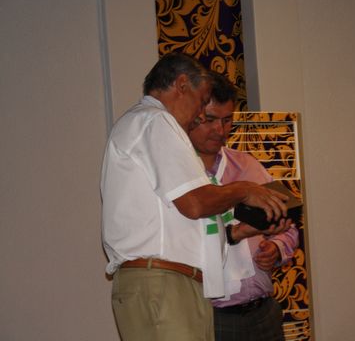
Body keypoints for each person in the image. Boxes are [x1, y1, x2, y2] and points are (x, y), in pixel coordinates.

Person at [101, 52, 289, 341]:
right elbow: (195, 203)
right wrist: (244, 190)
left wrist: (238, 232)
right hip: (162, 282)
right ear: (181, 85)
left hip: (173, 283)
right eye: (202, 103)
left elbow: (186, 218)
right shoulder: (155, 121)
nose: (200, 115)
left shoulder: (148, 124)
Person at [188, 74, 299, 341]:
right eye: (210, 119)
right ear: (191, 117)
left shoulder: (247, 165)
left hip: (263, 309)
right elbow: (182, 244)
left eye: (227, 120)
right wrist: (238, 233)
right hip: (213, 316)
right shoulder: (179, 176)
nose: (220, 130)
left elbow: (287, 225)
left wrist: (276, 248)